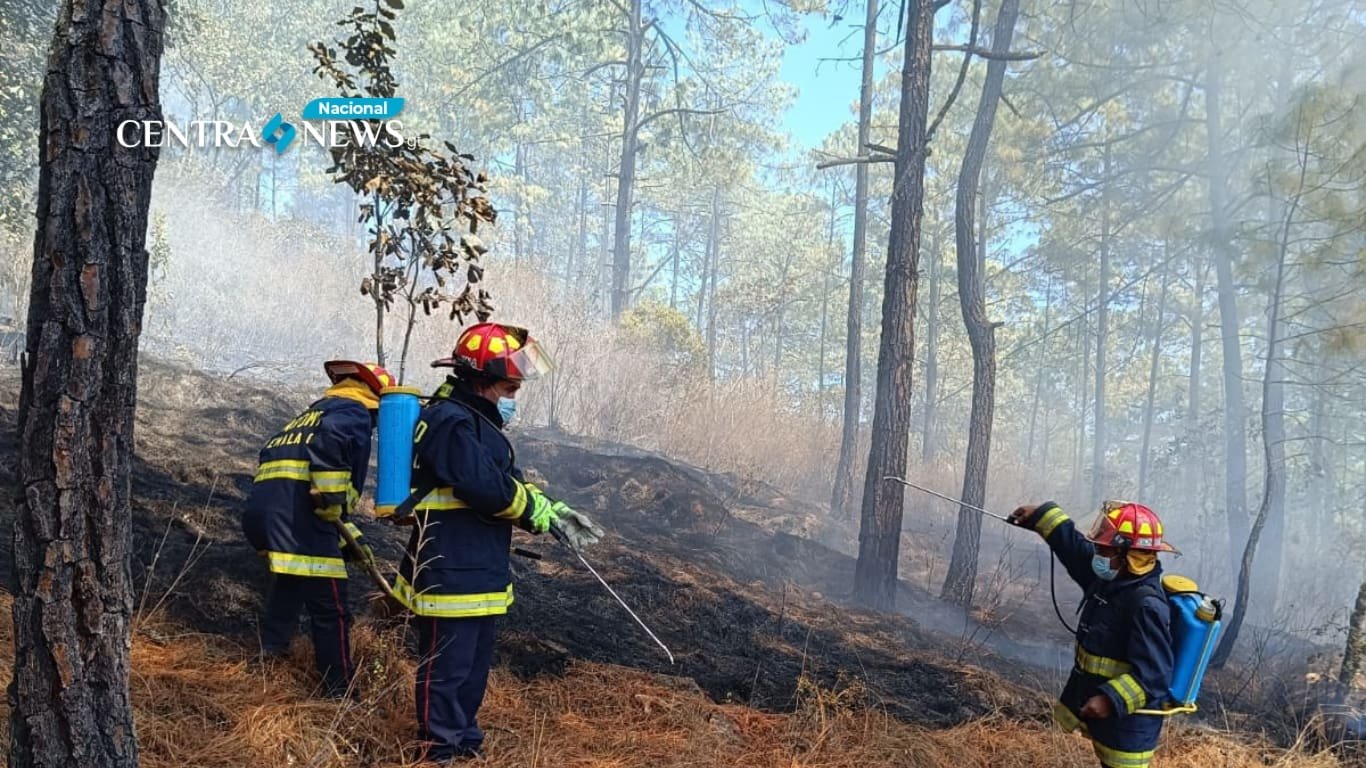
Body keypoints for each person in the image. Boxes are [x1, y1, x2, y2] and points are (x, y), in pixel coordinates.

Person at [390, 322, 604, 762]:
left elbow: (511, 484)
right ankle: (437, 751)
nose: (515, 396)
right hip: (449, 567)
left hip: (479, 567)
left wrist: (553, 511)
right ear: (480, 378)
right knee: (447, 670)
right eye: (510, 386)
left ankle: (464, 740)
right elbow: (485, 486)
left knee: (472, 669)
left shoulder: (480, 424)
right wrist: (533, 511)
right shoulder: (449, 420)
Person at [242, 360, 394, 698]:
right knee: (332, 609)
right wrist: (330, 499)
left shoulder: (309, 416)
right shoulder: (353, 412)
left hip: (266, 516)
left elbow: (292, 472)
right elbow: (330, 456)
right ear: (377, 398)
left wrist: (347, 535)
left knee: (291, 584)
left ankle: (268, 658)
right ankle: (338, 691)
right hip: (300, 521)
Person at [1008, 500, 1178, 768]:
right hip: (1109, 719)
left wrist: (1110, 700)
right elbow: (1075, 550)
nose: (1096, 553)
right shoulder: (1114, 578)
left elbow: (1155, 675)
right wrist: (1040, 516)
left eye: (1103, 548)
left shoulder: (1145, 605)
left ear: (1127, 554)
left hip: (1129, 730)